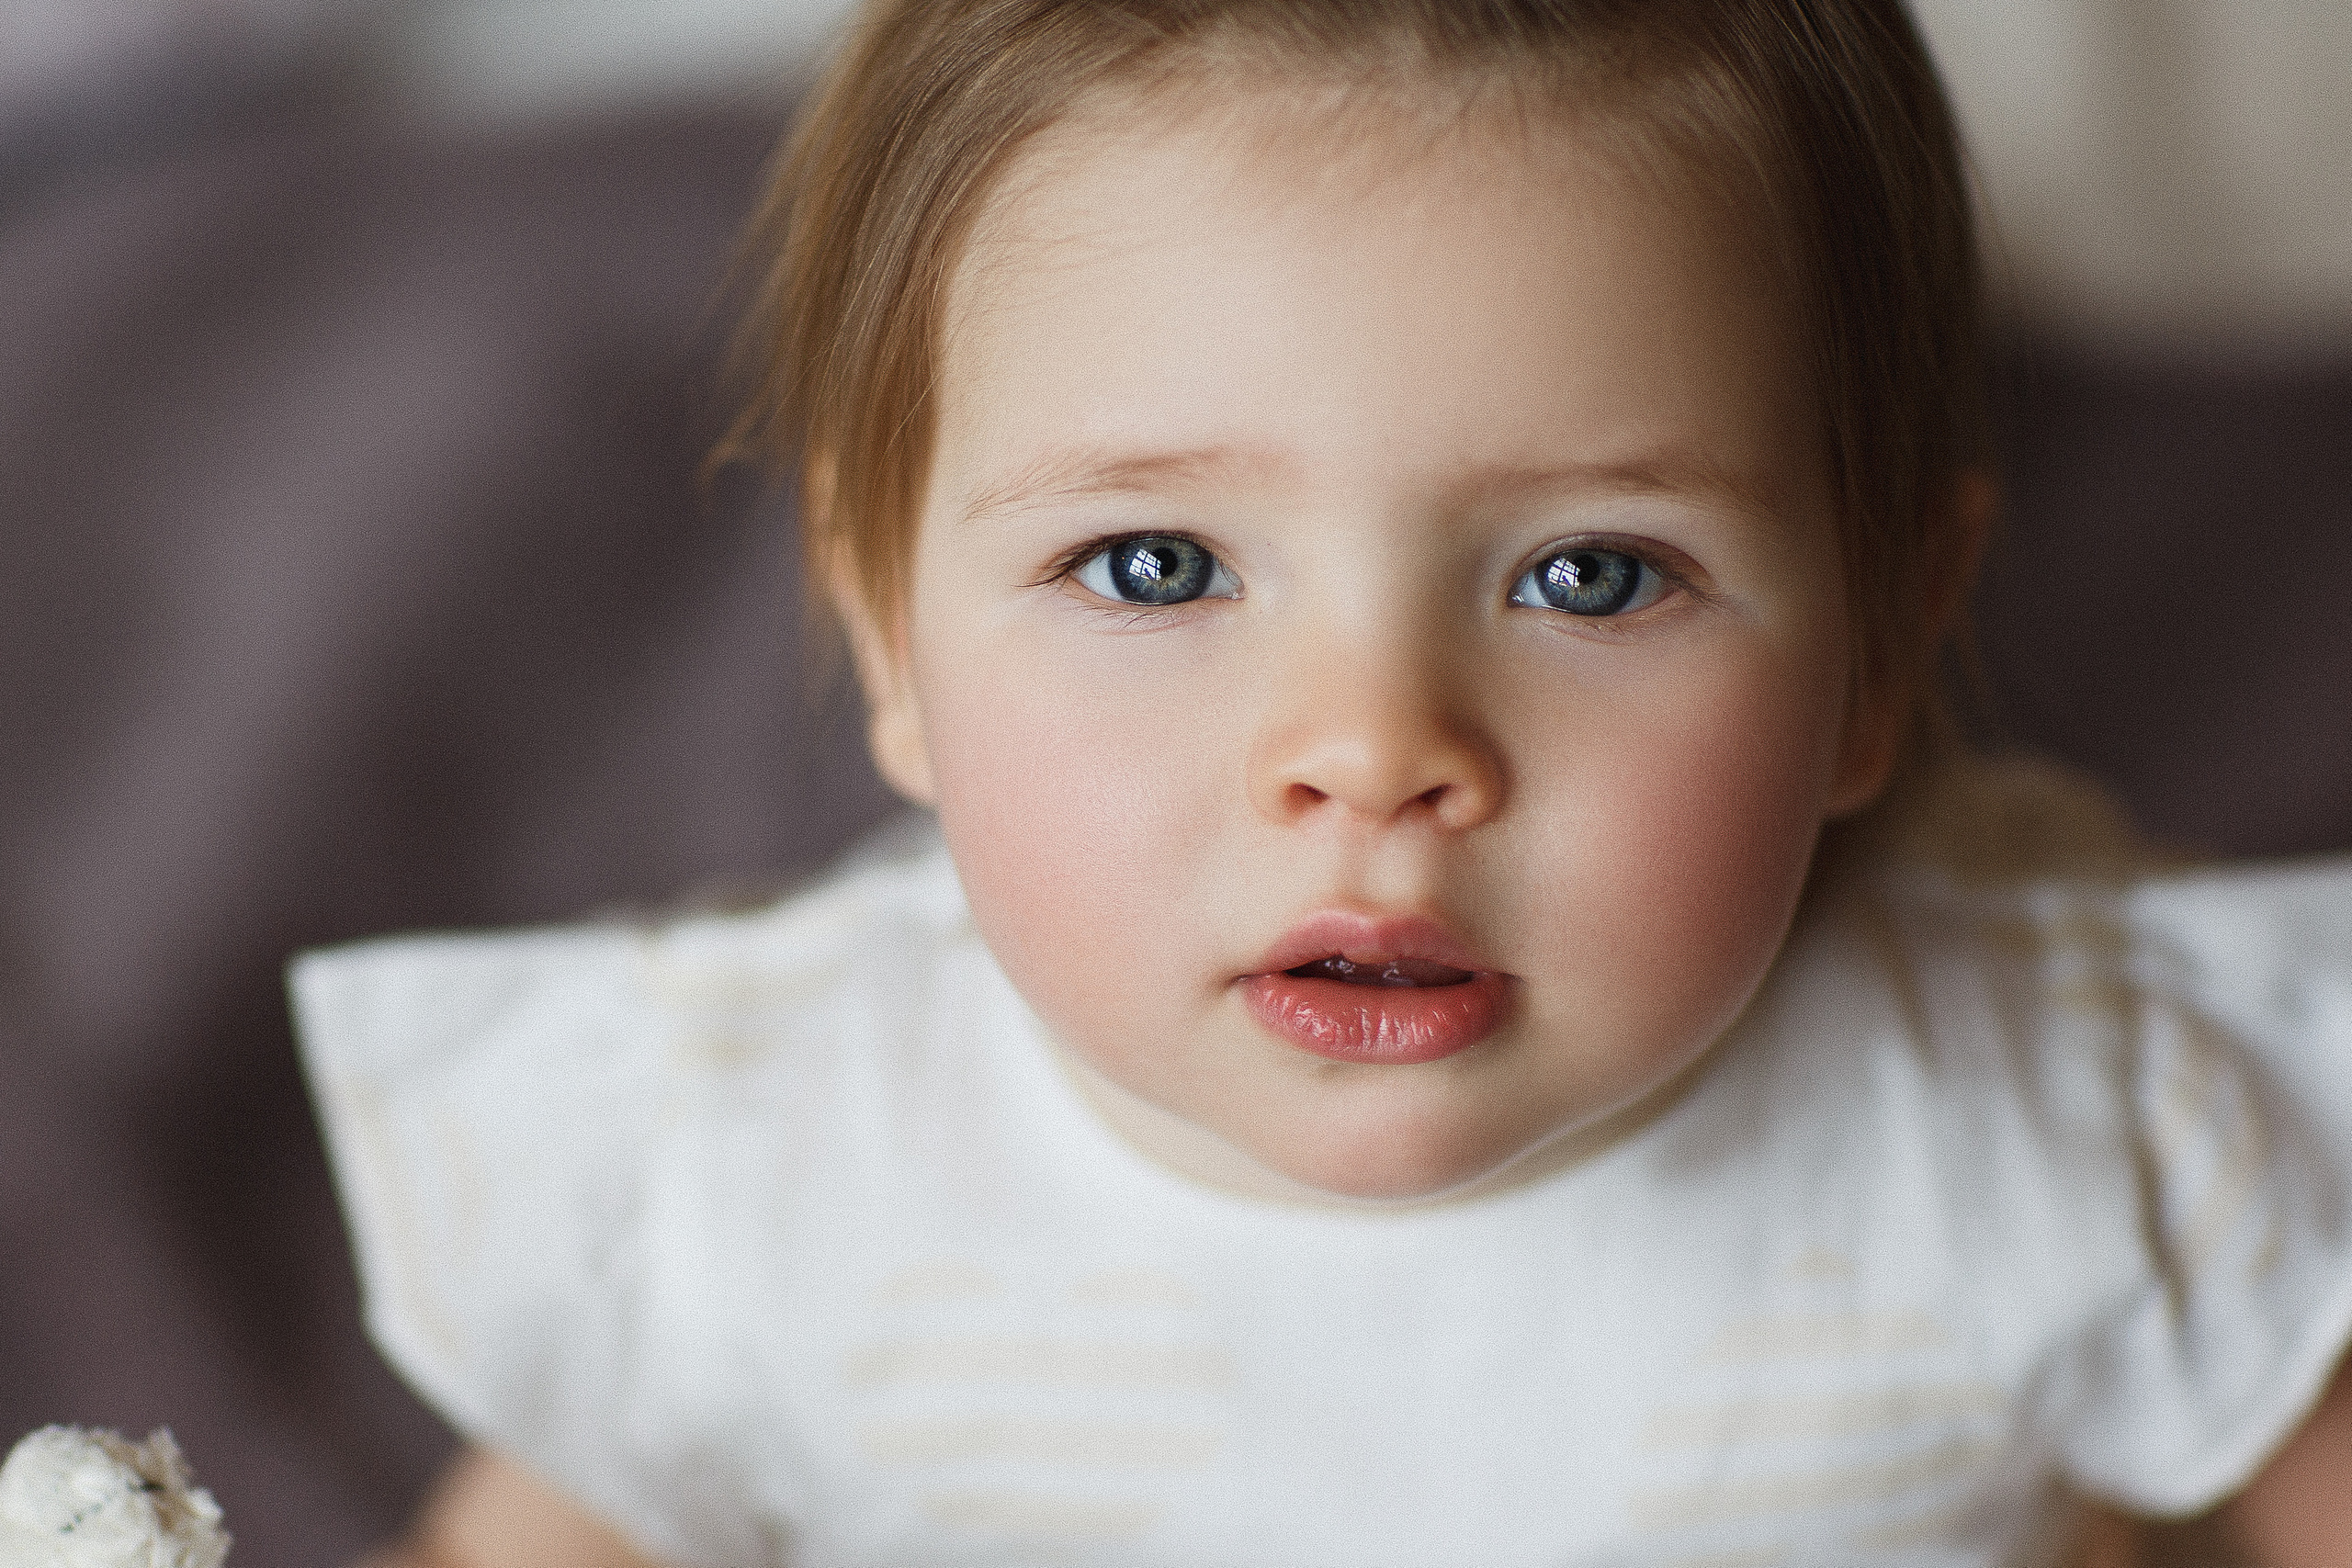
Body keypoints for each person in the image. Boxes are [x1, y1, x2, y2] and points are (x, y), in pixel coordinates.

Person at [292, 2, 2352, 1563]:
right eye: (1153, 564)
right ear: (883, 634)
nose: (1373, 749)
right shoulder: (738, 1172)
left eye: (1589, 573)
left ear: (1881, 642)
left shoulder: (2065, 1119)